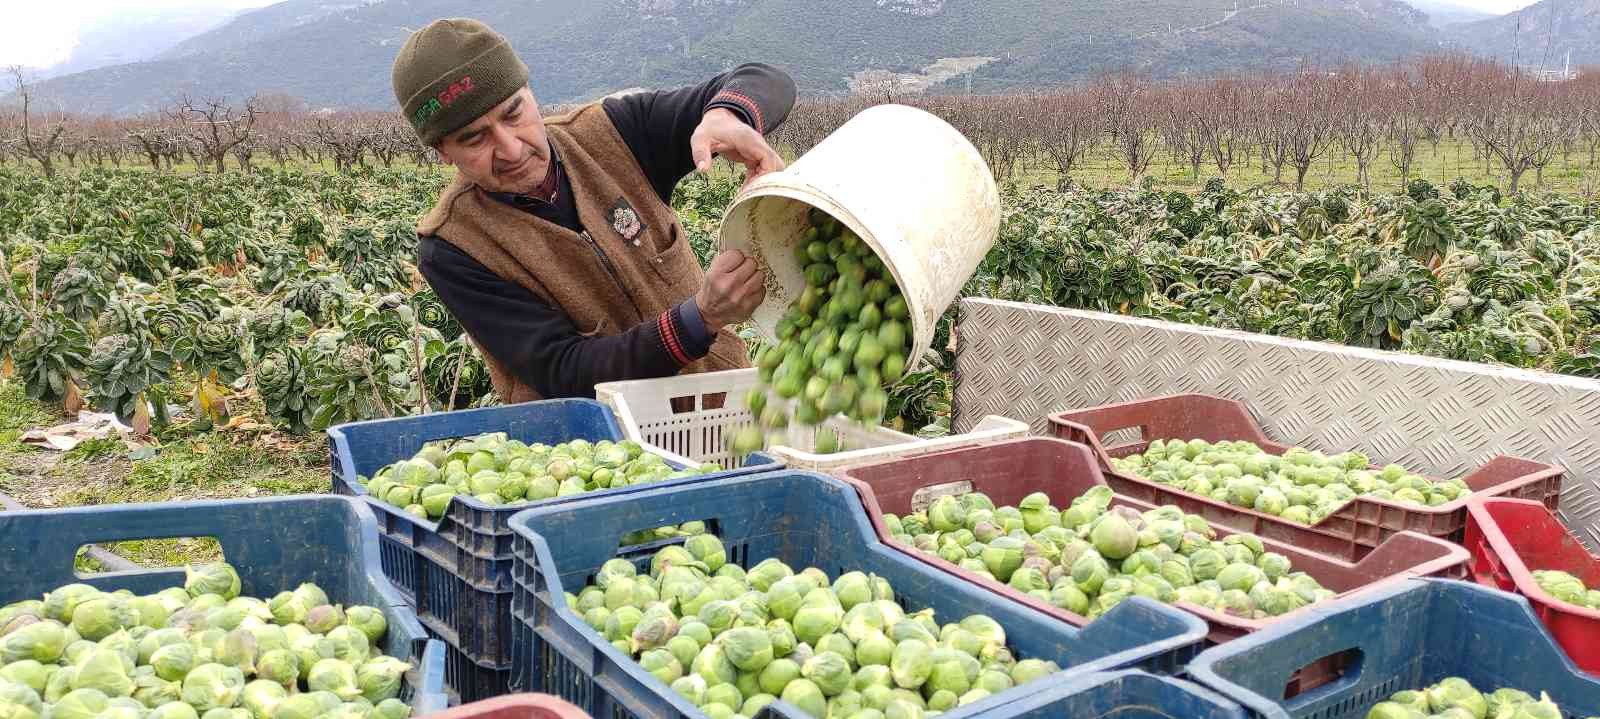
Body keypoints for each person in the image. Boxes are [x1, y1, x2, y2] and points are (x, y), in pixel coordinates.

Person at [390, 17, 796, 402]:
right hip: (599, 457)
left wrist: (729, 114)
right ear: (443, 151)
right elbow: (565, 371)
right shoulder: (454, 247)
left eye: (514, 113)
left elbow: (767, 79)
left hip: (724, 406)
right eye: (475, 138)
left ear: (531, 94)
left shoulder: (614, 134)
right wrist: (699, 318)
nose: (511, 148)